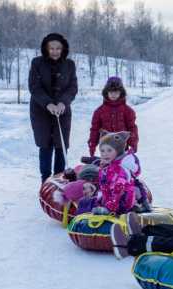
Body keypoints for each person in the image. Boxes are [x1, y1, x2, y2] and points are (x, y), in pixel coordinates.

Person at [29, 33, 78, 183]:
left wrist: (63, 102)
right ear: (46, 48)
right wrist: (48, 103)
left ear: (63, 49)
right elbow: (34, 87)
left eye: (58, 48)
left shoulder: (69, 65)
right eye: (52, 48)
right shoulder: (37, 63)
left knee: (60, 146)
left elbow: (72, 87)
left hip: (62, 111)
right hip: (41, 111)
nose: (55, 51)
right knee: (45, 145)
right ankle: (45, 180)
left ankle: (59, 179)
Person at [88, 77, 139, 157]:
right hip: (106, 149)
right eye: (111, 92)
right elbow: (94, 130)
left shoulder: (128, 111)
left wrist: (133, 144)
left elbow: (132, 128)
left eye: (116, 92)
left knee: (121, 167)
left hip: (122, 148)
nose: (113, 95)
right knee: (107, 168)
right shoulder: (99, 111)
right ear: (106, 92)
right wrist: (92, 145)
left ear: (121, 93)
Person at [98, 131, 144, 215]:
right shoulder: (106, 168)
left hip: (123, 200)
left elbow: (119, 187)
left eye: (109, 150)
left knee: (122, 189)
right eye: (102, 151)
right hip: (110, 202)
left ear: (118, 151)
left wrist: (110, 207)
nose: (105, 154)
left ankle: (129, 211)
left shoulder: (120, 168)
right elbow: (104, 186)